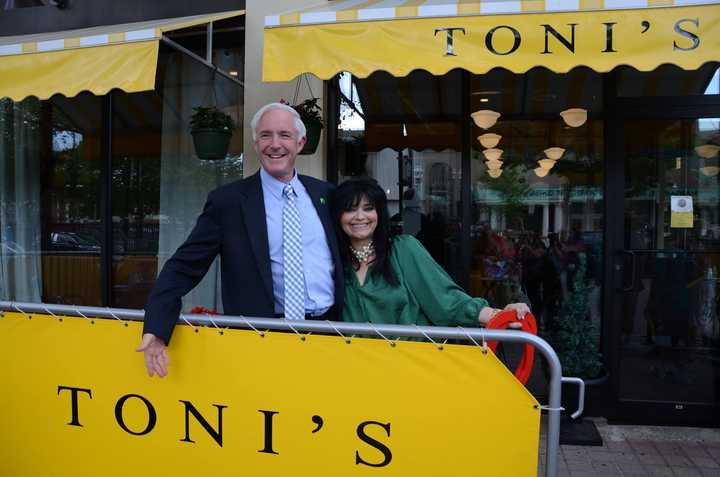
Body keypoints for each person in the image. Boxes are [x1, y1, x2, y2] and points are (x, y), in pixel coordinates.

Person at [136, 103, 344, 377]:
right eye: (266, 135)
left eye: (284, 135)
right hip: (259, 340)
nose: (275, 144)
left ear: (300, 142)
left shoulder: (326, 194)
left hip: (331, 335)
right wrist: (157, 326)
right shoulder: (228, 202)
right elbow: (184, 266)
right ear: (256, 144)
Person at [330, 178, 530, 327]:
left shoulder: (403, 249)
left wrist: (498, 316)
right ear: (339, 216)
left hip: (408, 366)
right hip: (355, 370)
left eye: (368, 208)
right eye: (350, 209)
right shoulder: (334, 261)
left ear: (379, 214)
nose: (360, 217)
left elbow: (446, 300)